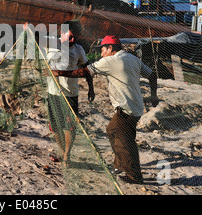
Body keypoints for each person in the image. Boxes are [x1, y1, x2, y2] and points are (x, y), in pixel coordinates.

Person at [52, 35, 158, 183]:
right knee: (113, 131)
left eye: (102, 50)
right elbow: (152, 75)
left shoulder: (111, 60)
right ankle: (118, 165)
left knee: (124, 141)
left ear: (110, 49)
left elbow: (85, 72)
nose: (101, 54)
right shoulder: (133, 58)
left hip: (126, 108)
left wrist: (60, 73)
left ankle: (134, 175)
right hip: (136, 107)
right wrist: (154, 96)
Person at [45, 21, 90, 166]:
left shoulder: (79, 50)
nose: (72, 40)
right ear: (61, 34)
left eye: (75, 37)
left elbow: (86, 71)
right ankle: (63, 151)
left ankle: (67, 155)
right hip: (53, 93)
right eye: (69, 36)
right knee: (56, 126)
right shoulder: (50, 45)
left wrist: (92, 88)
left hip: (70, 94)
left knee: (69, 127)